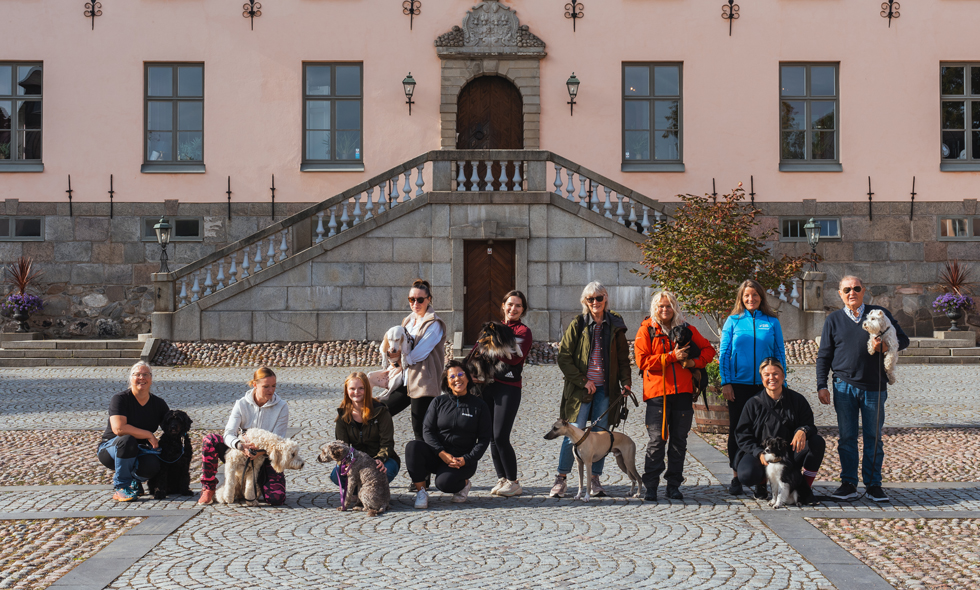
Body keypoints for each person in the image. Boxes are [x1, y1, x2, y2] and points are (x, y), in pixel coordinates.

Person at [816, 275, 909, 502]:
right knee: (847, 438)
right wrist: (822, 385)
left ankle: (874, 485)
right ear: (840, 293)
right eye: (847, 289)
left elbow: (903, 340)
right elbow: (824, 355)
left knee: (873, 437)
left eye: (856, 288)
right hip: (843, 386)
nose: (852, 293)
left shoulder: (878, 314)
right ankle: (848, 483)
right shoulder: (834, 319)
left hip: (874, 387)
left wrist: (884, 346)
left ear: (863, 290)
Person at [550, 281, 633, 499]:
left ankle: (595, 480)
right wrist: (582, 380)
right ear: (585, 302)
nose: (595, 302)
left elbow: (623, 359)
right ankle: (561, 478)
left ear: (606, 298)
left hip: (606, 390)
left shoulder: (615, 325)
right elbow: (564, 357)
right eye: (590, 299)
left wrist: (626, 382)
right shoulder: (578, 323)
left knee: (600, 435)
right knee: (573, 432)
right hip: (580, 391)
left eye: (599, 298)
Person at [634, 291, 715, 501]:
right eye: (661, 306)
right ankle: (651, 486)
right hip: (657, 395)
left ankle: (673, 485)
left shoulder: (687, 329)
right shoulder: (646, 330)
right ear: (655, 307)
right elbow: (642, 362)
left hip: (683, 394)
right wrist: (672, 357)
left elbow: (708, 350)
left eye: (668, 306)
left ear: (674, 307)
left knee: (679, 441)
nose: (664, 310)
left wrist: (692, 363)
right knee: (656, 441)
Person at [718, 279, 787, 496]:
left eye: (755, 295)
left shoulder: (772, 322)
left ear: (761, 297)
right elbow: (725, 354)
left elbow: (779, 353)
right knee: (737, 430)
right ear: (741, 298)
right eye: (747, 296)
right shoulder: (733, 321)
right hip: (739, 385)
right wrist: (726, 382)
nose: (751, 299)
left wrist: (782, 383)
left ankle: (762, 482)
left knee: (766, 432)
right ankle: (737, 476)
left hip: (766, 386)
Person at [405, 360, 492, 509]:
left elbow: (484, 439)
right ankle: (421, 492)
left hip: (462, 460)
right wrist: (441, 452)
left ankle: (464, 484)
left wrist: (467, 459)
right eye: (452, 377)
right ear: (447, 382)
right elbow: (427, 430)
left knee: (444, 484)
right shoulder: (438, 402)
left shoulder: (479, 405)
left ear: (467, 377)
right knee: (413, 447)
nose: (457, 379)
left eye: (460, 374)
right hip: (438, 455)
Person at [735, 358, 825, 501]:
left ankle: (803, 489)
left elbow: (810, 425)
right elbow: (742, 434)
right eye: (767, 375)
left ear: (783, 376)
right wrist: (758, 453)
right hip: (762, 453)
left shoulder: (797, 400)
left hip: (788, 454)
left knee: (817, 442)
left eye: (776, 374)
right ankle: (761, 484)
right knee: (747, 474)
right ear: (762, 378)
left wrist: (803, 430)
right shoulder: (752, 403)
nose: (772, 378)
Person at [197, 367, 290, 506]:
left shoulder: (282, 407)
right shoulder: (241, 404)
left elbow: (278, 440)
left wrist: (259, 452)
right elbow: (228, 433)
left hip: (265, 457)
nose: (271, 390)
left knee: (276, 499)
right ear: (255, 385)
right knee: (209, 440)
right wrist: (240, 446)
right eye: (266, 386)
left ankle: (256, 484)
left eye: (273, 386)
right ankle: (208, 487)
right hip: (239, 450)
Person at [380, 279, 447, 442]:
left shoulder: (434, 323)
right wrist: (393, 358)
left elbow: (420, 353)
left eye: (420, 299)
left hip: (424, 381)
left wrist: (402, 362)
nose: (415, 303)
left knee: (421, 431)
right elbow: (400, 348)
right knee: (381, 411)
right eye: (412, 299)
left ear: (429, 299)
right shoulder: (407, 321)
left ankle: (429, 464)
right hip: (405, 380)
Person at [97, 361, 169, 502]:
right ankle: (121, 487)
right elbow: (119, 429)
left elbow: (170, 424)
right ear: (131, 378)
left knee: (154, 463)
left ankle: (135, 480)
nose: (141, 378)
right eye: (137, 375)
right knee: (127, 440)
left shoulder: (159, 404)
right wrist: (149, 434)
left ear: (151, 379)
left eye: (145, 375)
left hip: (140, 450)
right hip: (112, 448)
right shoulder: (120, 399)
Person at [485, 290, 533, 498]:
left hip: (509, 386)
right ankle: (502, 477)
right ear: (503, 305)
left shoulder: (523, 331)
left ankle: (514, 481)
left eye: (518, 305)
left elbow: (512, 358)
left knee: (501, 436)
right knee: (491, 438)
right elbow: (478, 352)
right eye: (510, 304)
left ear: (523, 309)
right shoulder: (494, 328)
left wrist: (489, 349)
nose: (513, 309)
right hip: (488, 386)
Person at [331, 371, 400, 486]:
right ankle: (357, 492)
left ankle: (373, 493)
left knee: (382, 473)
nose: (356, 392)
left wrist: (380, 459)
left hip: (382, 458)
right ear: (347, 391)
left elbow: (387, 443)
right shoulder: (343, 416)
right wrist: (347, 463)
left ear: (367, 389)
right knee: (336, 475)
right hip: (356, 460)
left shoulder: (381, 411)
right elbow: (342, 447)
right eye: (352, 389)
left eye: (361, 388)